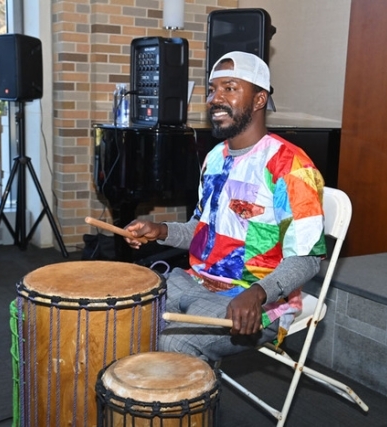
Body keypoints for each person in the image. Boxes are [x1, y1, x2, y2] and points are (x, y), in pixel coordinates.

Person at [124, 51, 326, 362]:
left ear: (259, 100)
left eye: (229, 88)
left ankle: (192, 406)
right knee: (126, 318)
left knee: (173, 346)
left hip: (256, 298)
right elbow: (202, 230)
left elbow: (308, 258)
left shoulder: (291, 166)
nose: (215, 98)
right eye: (212, 89)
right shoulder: (215, 157)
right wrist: (159, 230)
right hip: (196, 280)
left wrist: (258, 293)